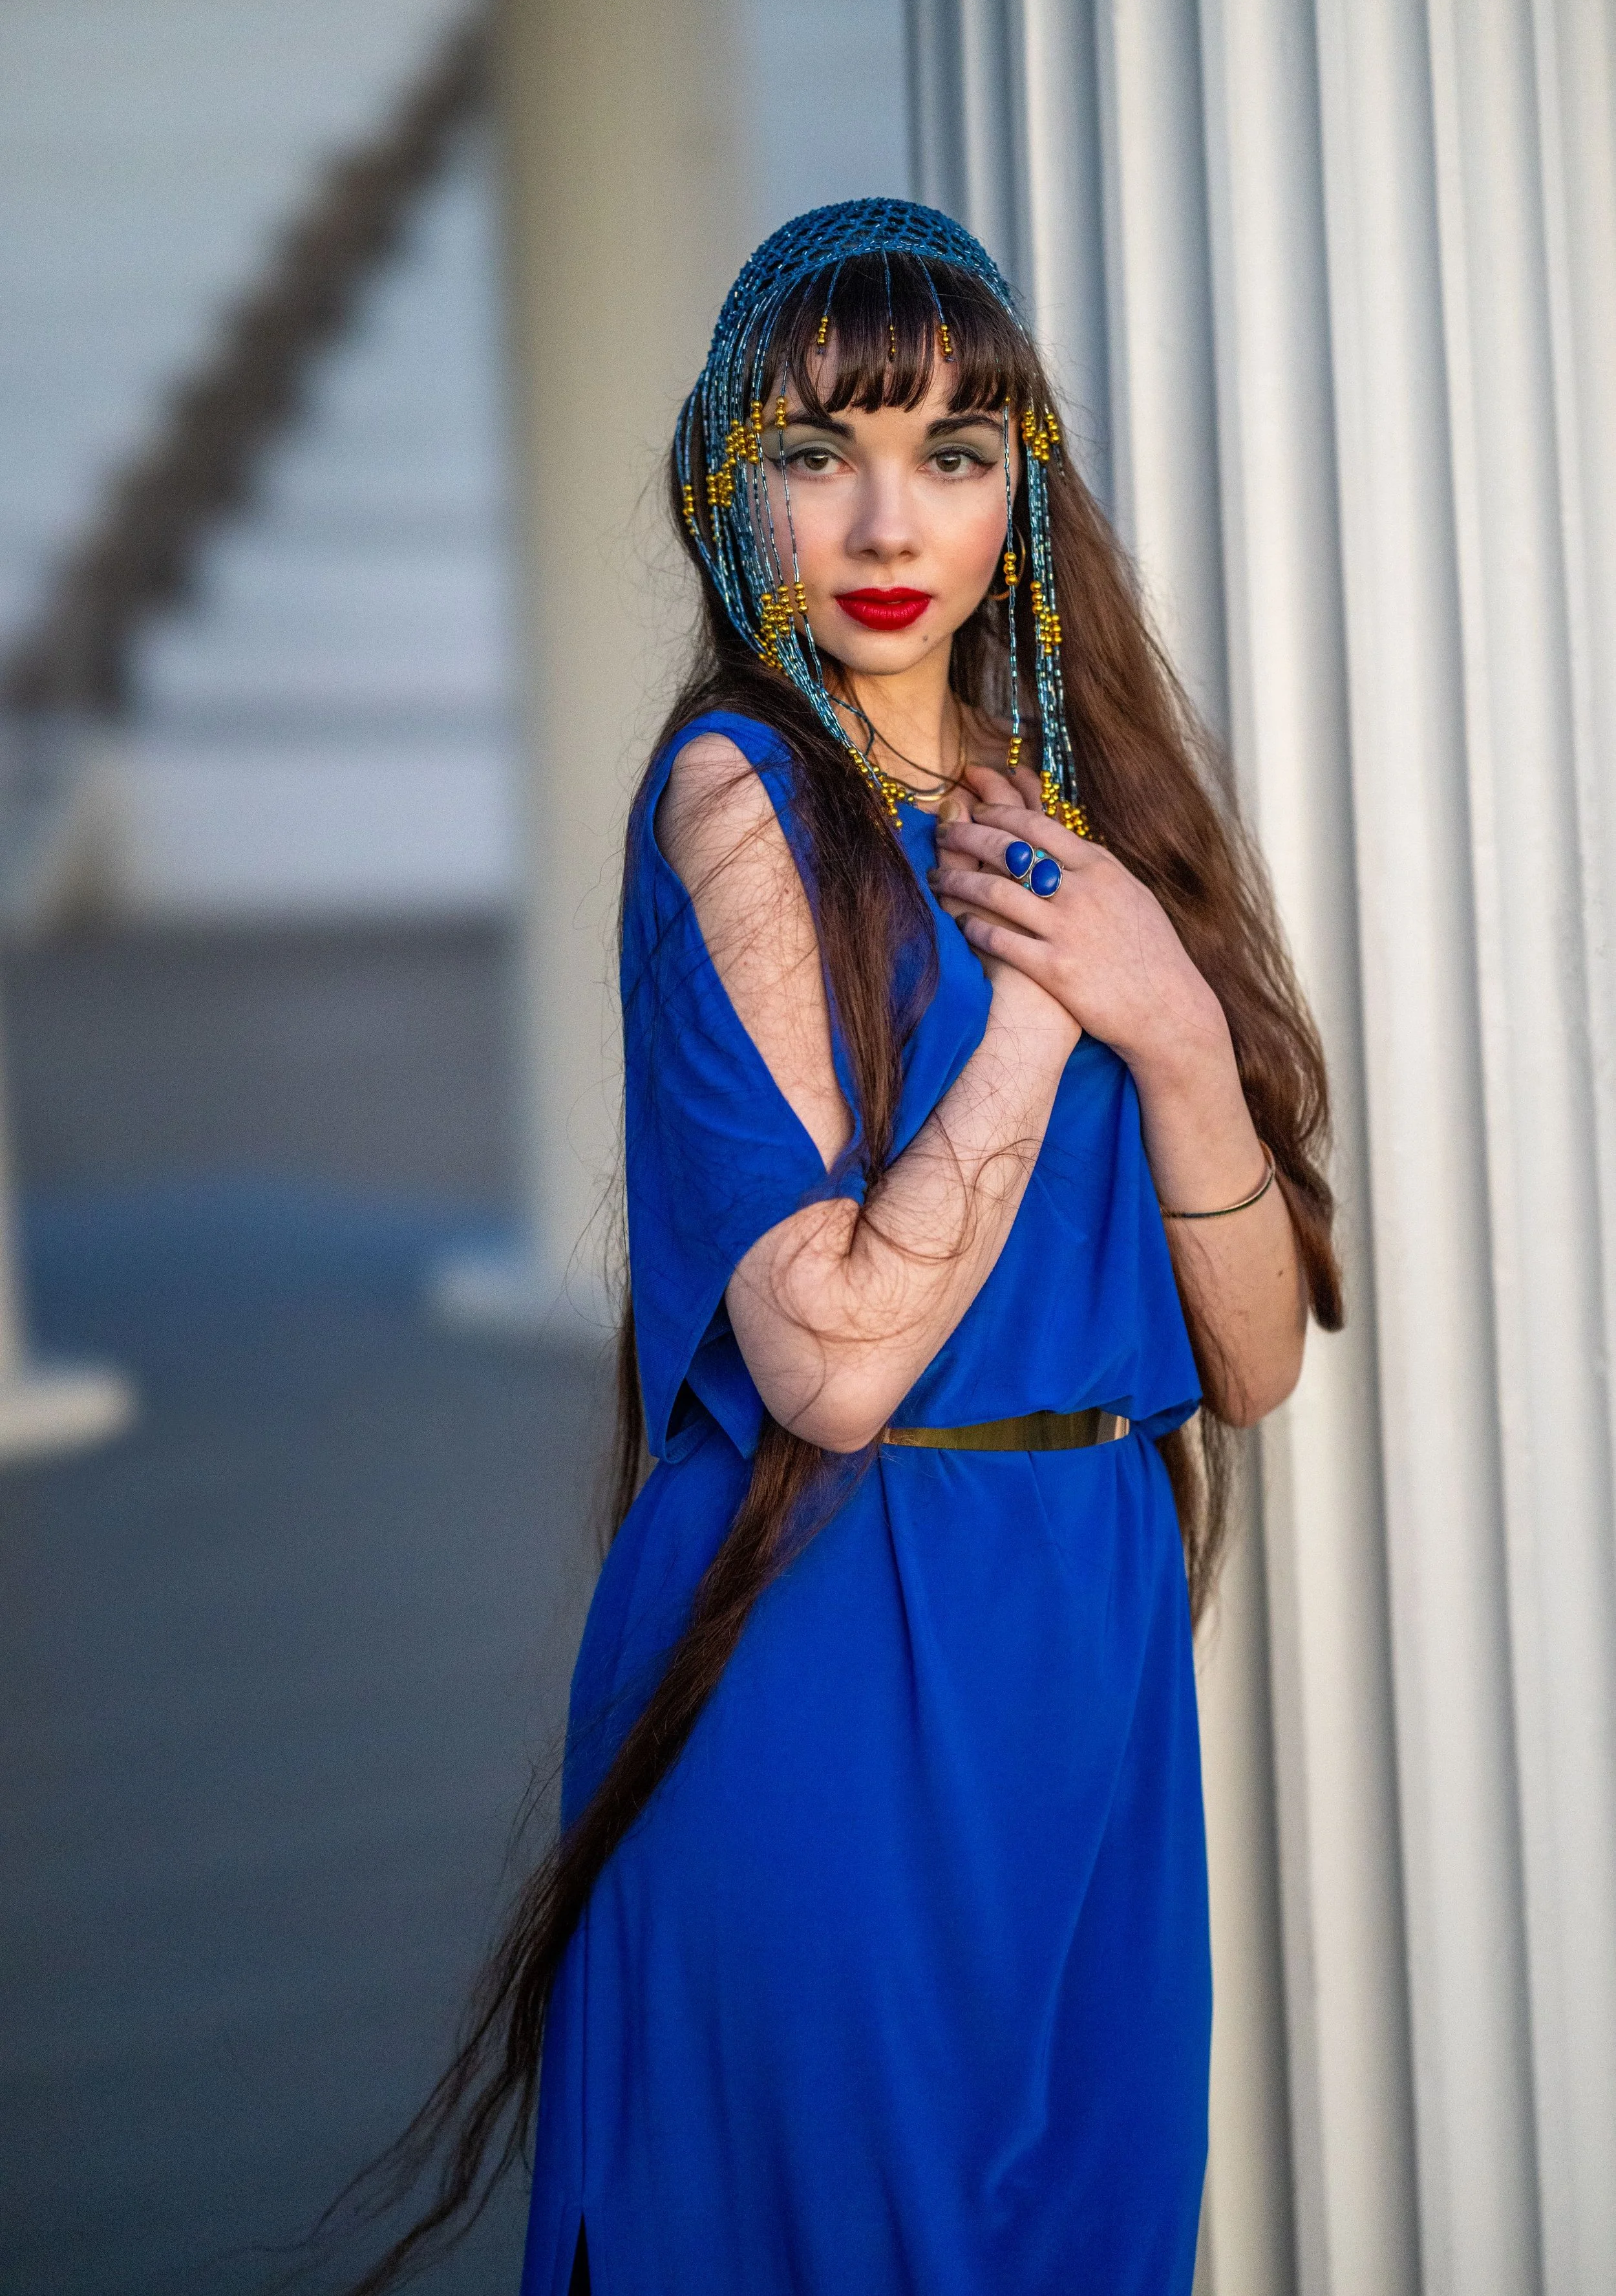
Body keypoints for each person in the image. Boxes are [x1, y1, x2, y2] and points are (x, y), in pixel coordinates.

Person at [341, 199, 1341, 2296]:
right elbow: (833, 1364)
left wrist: (1171, 1023)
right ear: (736, 484)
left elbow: (1249, 1359)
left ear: (1018, 499)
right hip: (832, 1632)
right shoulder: (740, 794)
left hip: (1078, 1658)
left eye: (955, 454)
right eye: (818, 452)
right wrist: (1058, 1010)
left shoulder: (1091, 824)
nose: (888, 517)